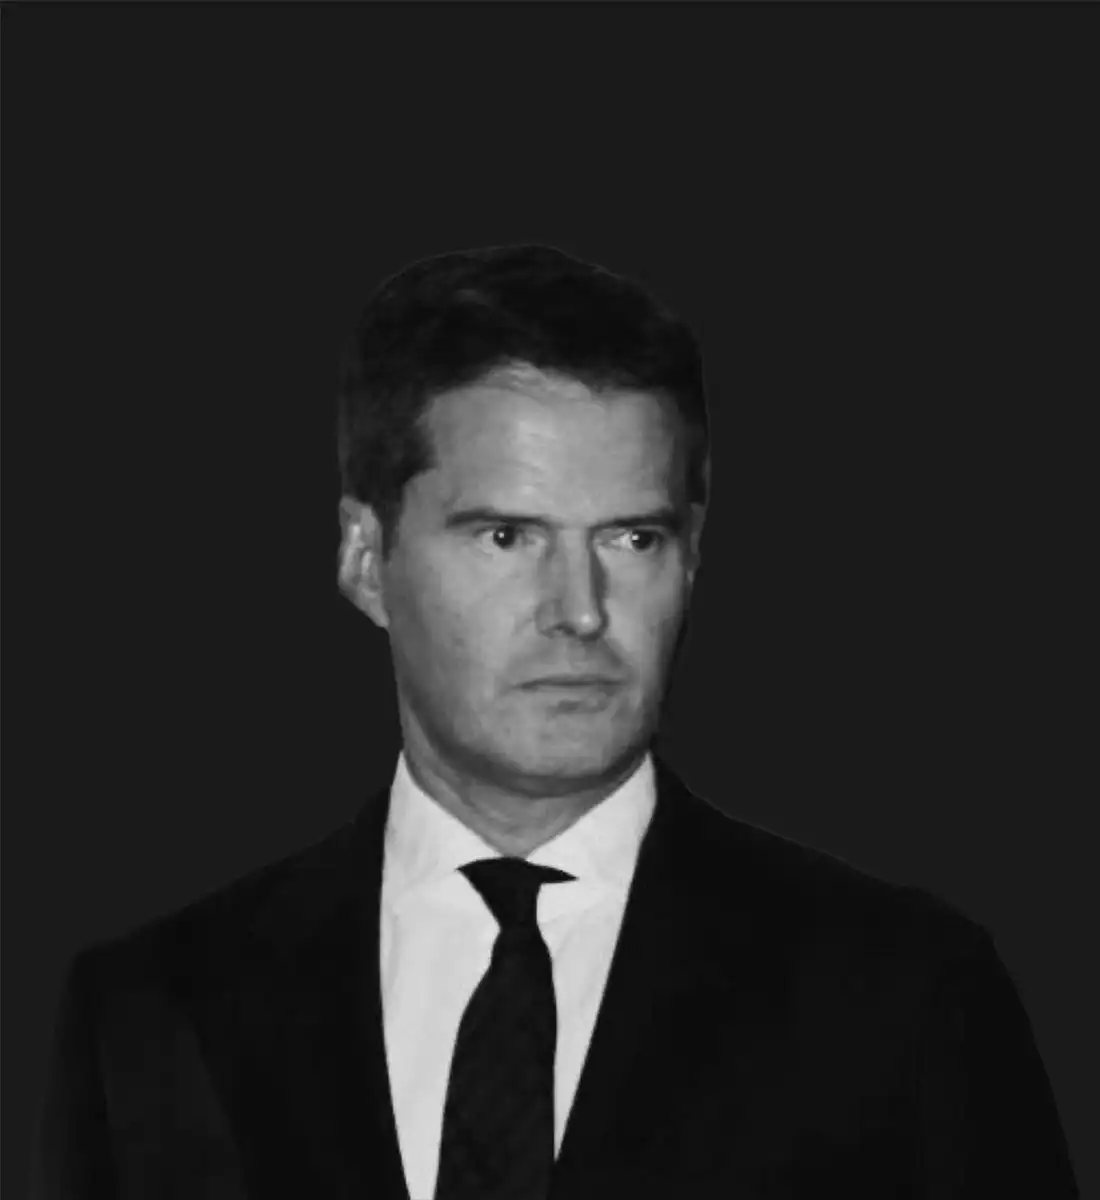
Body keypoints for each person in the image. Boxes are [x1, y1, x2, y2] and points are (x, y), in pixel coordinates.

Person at [33, 244, 1078, 1199]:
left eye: (630, 539)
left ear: (692, 557)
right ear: (365, 559)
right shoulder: (153, 1011)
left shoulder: (902, 1000)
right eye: (505, 536)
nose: (580, 610)